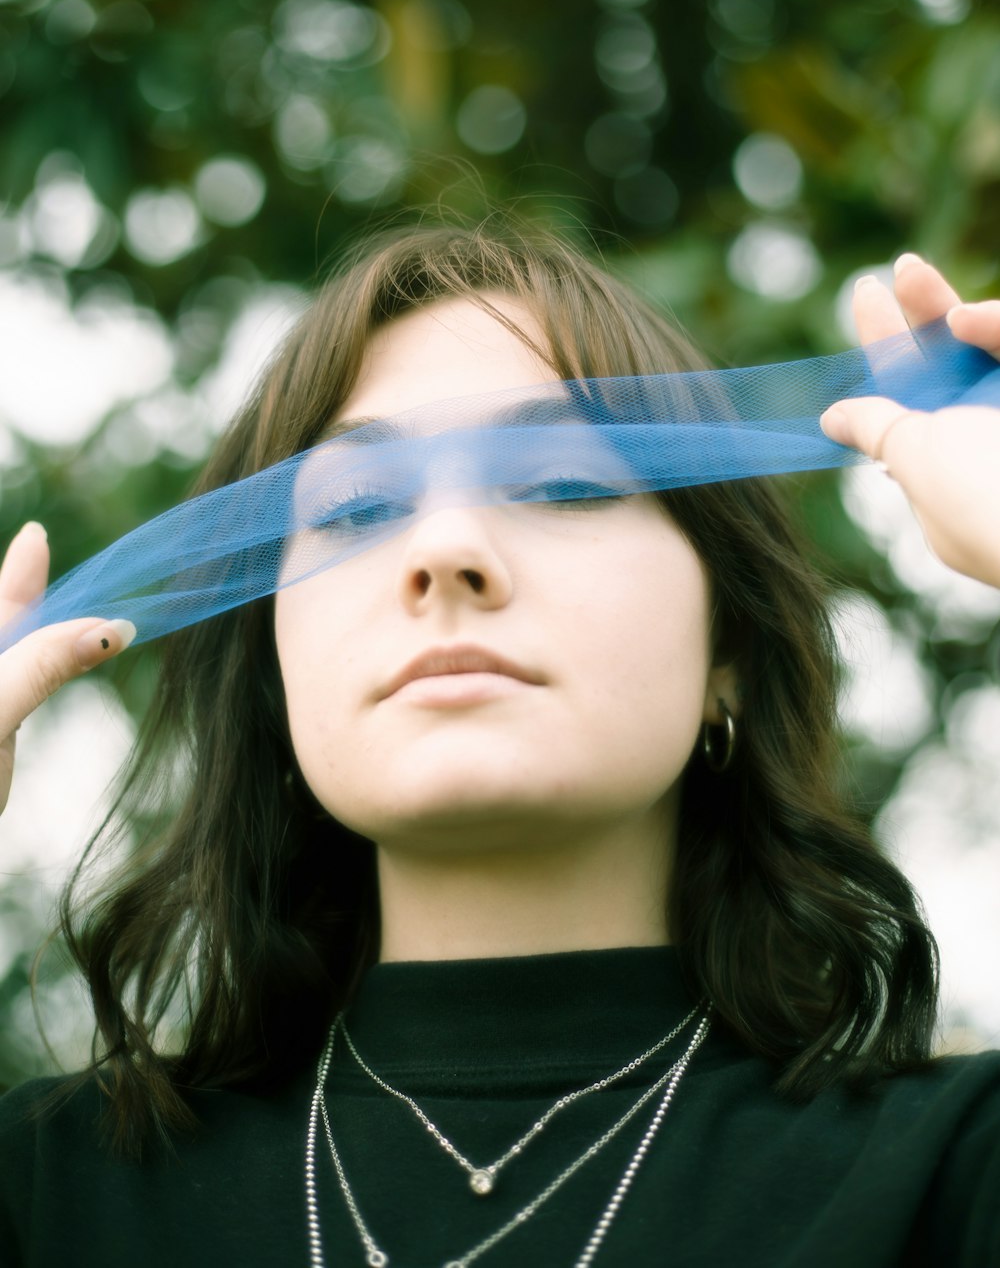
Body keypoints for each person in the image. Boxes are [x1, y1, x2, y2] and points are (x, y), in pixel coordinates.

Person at [0, 215, 997, 1268]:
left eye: (562, 484)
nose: (443, 549)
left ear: (727, 654)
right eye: (359, 505)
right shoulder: (50, 1195)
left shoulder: (950, 1177)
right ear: (274, 670)